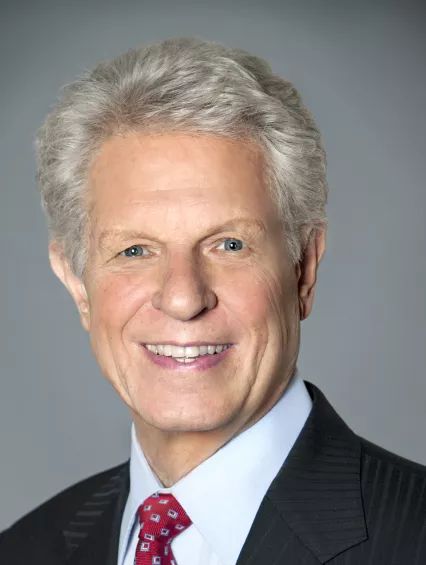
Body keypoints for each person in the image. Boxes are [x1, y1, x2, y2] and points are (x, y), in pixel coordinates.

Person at [1, 37, 425, 565]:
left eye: (230, 245)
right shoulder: (23, 550)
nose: (183, 298)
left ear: (304, 268)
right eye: (134, 250)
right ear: (77, 283)